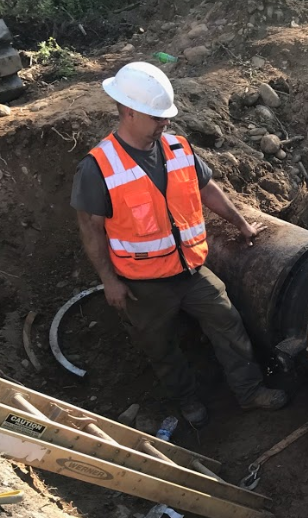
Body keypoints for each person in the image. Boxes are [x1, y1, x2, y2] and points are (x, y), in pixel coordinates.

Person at [71, 62, 288, 428]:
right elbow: (91, 230)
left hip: (191, 271)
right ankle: (187, 400)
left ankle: (248, 392)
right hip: (143, 284)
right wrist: (109, 280)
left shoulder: (177, 147)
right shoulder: (98, 167)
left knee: (228, 323)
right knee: (160, 347)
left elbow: (206, 189)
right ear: (129, 112)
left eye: (166, 116)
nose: (165, 123)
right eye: (157, 117)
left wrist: (241, 223)